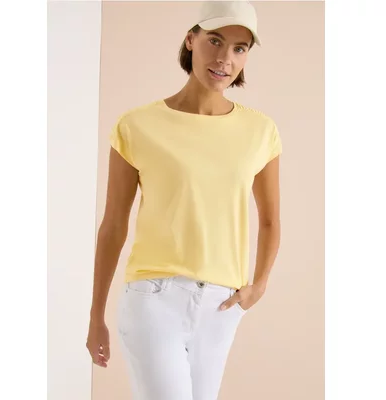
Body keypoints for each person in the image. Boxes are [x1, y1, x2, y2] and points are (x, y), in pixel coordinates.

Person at [87, 1, 282, 398]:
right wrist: (96, 315)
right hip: (153, 300)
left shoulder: (260, 131)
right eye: (215, 41)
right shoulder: (137, 125)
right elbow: (114, 225)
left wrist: (259, 285)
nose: (225, 58)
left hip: (222, 306)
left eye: (240, 48)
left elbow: (269, 219)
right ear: (191, 39)